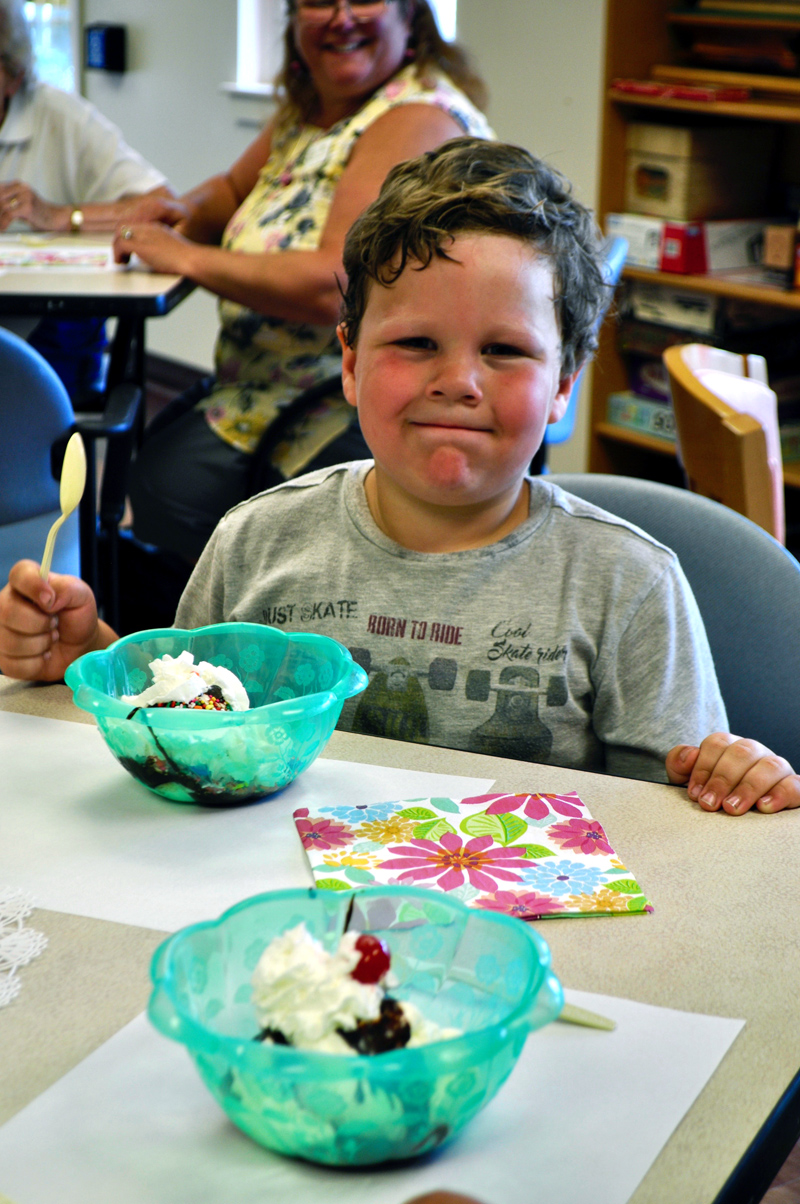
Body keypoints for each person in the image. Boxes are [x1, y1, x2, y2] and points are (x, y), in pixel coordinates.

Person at [1, 138, 798, 817]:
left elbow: (673, 825)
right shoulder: (254, 542)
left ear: (563, 383)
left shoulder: (628, 586)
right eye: (416, 343)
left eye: (505, 350)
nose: (459, 381)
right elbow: (188, 739)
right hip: (285, 917)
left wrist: (732, 780)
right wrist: (81, 656)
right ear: (349, 362)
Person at [111, 0, 492, 562]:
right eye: (317, 1)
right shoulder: (315, 112)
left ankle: (229, 630)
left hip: (342, 400)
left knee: (166, 483)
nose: (340, 17)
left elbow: (334, 282)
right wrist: (174, 214)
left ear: (409, 15)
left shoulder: (418, 118)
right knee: (151, 466)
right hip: (260, 384)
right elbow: (232, 191)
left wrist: (187, 259)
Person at [0, 0, 173, 397]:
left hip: (50, 332)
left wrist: (60, 216)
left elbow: (164, 206)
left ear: (14, 75)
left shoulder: (59, 116)